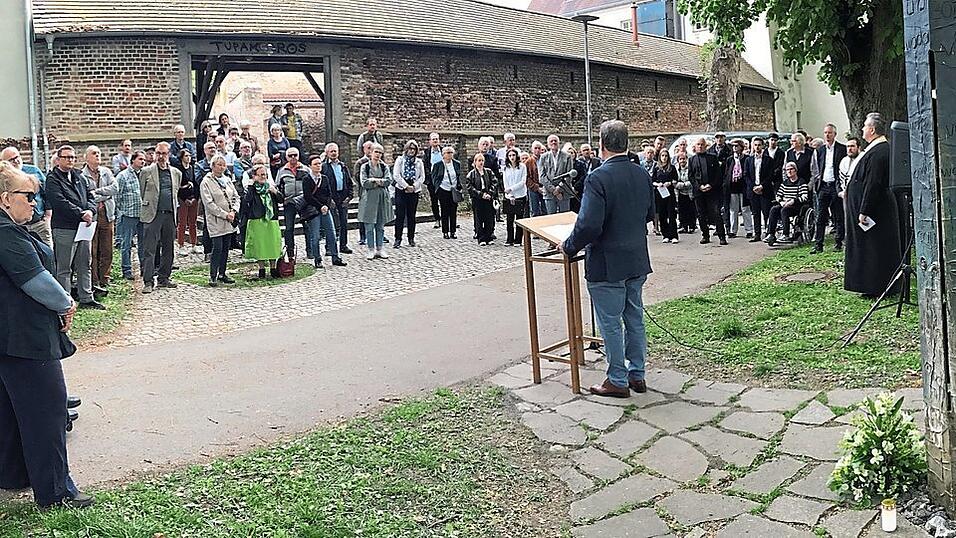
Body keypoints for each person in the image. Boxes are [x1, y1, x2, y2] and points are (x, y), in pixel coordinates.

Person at [0, 161, 94, 509]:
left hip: (11, 337)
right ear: (5, 199)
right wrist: (66, 303)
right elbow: (35, 280)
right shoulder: (5, 232)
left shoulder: (7, 226)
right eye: (28, 196)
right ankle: (56, 492)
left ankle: (13, 474)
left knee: (11, 411)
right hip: (25, 338)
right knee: (47, 413)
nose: (34, 204)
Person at [558, 120, 653, 398]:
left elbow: (588, 225)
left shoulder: (597, 177)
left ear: (601, 145)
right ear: (626, 143)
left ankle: (617, 379)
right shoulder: (641, 173)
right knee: (634, 317)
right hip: (636, 259)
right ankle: (637, 374)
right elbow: (649, 214)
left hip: (608, 263)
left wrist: (569, 246)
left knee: (610, 322)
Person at [844, 113, 902, 297]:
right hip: (869, 208)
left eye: (864, 126)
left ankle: (876, 285)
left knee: (874, 248)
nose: (862, 129)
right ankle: (869, 284)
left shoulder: (880, 151)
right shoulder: (875, 149)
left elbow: (873, 183)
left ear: (872, 129)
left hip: (875, 210)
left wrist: (864, 210)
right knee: (868, 247)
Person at [46, 145, 104, 309]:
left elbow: (91, 196)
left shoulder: (79, 176)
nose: (70, 160)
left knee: (84, 263)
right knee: (64, 268)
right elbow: (60, 202)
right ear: (58, 160)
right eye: (66, 157)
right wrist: (81, 213)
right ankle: (65, 302)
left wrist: (90, 211)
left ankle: (86, 297)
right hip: (65, 228)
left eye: (72, 157)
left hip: (84, 227)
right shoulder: (53, 179)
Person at [138, 141, 182, 294]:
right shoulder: (146, 172)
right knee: (150, 249)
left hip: (169, 214)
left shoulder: (176, 173)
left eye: (164, 153)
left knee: (168, 248)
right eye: (158, 153)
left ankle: (164, 277)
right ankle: (148, 280)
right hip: (153, 214)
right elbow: (141, 191)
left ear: (168, 154)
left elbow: (175, 192)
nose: (161, 156)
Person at [199, 155, 240, 286]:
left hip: (229, 219)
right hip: (216, 220)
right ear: (213, 166)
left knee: (226, 247)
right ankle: (213, 275)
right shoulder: (206, 182)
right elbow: (209, 203)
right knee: (217, 247)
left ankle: (222, 273)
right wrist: (224, 214)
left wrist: (233, 211)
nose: (222, 167)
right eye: (219, 165)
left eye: (224, 165)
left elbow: (236, 196)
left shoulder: (227, 180)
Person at [80, 146, 116, 293]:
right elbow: (86, 196)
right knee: (93, 250)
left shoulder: (106, 172)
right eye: (94, 154)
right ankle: (94, 280)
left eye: (99, 153)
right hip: (92, 216)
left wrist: (97, 193)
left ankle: (105, 278)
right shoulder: (82, 175)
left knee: (107, 248)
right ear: (86, 158)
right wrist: (103, 194)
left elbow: (115, 188)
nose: (97, 156)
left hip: (107, 214)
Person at [1, 147, 52, 247]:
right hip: (17, 224)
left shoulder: (34, 170)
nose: (16, 161)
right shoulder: (3, 180)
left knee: (47, 252)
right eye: (11, 159)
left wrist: (48, 215)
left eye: (17, 157)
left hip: (39, 222)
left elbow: (47, 193)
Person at [304, 155, 347, 269]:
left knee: (331, 233)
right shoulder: (307, 179)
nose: (318, 166)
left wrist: (326, 206)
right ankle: (317, 258)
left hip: (325, 209)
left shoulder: (325, 178)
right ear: (310, 166)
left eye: (319, 164)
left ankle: (335, 256)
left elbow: (329, 194)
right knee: (315, 235)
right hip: (314, 210)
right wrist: (320, 206)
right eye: (315, 164)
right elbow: (308, 196)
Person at [810, 123, 848, 254]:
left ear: (835, 134)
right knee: (820, 216)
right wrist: (816, 184)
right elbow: (815, 169)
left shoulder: (842, 149)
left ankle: (838, 241)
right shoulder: (820, 150)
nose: (827, 135)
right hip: (823, 186)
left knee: (838, 215)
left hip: (835, 186)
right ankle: (818, 244)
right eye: (825, 132)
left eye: (830, 133)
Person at [241, 164, 283, 278]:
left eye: (265, 174)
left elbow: (281, 199)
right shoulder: (252, 188)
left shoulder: (270, 187)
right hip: (257, 219)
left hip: (271, 219)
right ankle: (261, 269)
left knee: (272, 244)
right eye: (260, 175)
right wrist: (250, 186)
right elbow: (246, 201)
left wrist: (275, 192)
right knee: (260, 245)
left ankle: (273, 268)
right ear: (254, 176)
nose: (263, 177)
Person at [110, 151, 146, 280]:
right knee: (126, 244)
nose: (143, 161)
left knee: (143, 243)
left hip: (143, 215)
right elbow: (117, 195)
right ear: (133, 160)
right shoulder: (123, 176)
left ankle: (144, 268)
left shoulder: (144, 174)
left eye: (144, 160)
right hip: (128, 214)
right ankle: (126, 270)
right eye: (140, 159)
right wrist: (122, 210)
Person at [358, 143, 394, 259]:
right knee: (369, 225)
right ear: (371, 153)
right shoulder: (365, 167)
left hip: (382, 198)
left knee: (380, 225)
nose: (378, 155)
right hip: (369, 199)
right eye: (376, 152)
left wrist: (375, 181)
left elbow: (389, 181)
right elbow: (364, 182)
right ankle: (370, 249)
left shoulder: (384, 167)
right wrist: (378, 182)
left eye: (380, 153)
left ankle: (380, 248)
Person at [688, 138, 727, 245]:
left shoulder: (712, 158)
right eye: (698, 144)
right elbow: (691, 176)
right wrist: (699, 186)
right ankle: (705, 235)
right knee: (701, 214)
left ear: (706, 146)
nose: (700, 146)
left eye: (702, 144)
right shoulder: (691, 160)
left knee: (716, 213)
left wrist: (711, 185)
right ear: (695, 146)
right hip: (699, 191)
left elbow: (718, 175)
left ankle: (722, 236)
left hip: (712, 191)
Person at [276, 147, 309, 258]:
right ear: (286, 157)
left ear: (298, 156)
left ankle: (310, 251)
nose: (293, 157)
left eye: (295, 155)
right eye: (290, 155)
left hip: (304, 201)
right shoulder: (282, 171)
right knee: (289, 228)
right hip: (289, 203)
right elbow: (278, 187)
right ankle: (290, 253)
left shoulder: (305, 169)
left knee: (307, 227)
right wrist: (282, 199)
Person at [765, 162, 809, 246]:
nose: (789, 171)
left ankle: (786, 234)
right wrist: (781, 202)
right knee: (774, 209)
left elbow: (804, 196)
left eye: (791, 169)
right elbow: (778, 195)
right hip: (784, 204)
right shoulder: (785, 183)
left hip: (796, 206)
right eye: (787, 170)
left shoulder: (801, 182)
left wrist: (793, 201)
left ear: (795, 170)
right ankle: (770, 234)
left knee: (784, 210)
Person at [321, 143, 354, 254]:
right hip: (331, 198)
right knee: (331, 224)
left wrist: (349, 196)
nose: (334, 153)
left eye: (335, 151)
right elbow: (323, 185)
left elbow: (349, 182)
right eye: (331, 151)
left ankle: (343, 245)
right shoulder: (324, 167)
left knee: (344, 223)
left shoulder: (343, 166)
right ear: (327, 153)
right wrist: (328, 200)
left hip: (343, 196)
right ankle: (329, 247)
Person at [392, 140, 424, 248]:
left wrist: (414, 186)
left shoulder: (419, 162)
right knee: (400, 215)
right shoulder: (400, 160)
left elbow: (422, 177)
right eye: (410, 148)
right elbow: (396, 175)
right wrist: (406, 186)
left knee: (412, 216)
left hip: (414, 189)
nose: (411, 151)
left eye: (414, 149)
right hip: (401, 188)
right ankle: (398, 238)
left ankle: (411, 238)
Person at [746, 137, 776, 243]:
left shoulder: (768, 160)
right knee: (755, 213)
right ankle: (757, 234)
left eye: (759, 145)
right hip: (753, 190)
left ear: (763, 146)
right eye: (755, 145)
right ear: (752, 146)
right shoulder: (749, 160)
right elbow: (747, 175)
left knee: (766, 212)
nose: (757, 147)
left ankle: (769, 233)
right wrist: (753, 186)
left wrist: (762, 186)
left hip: (765, 190)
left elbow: (770, 175)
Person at [723, 140, 753, 239]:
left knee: (745, 209)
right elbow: (727, 173)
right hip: (732, 187)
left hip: (743, 187)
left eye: (737, 146)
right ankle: (733, 230)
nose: (735, 148)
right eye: (733, 146)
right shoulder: (730, 159)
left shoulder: (746, 159)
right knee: (733, 209)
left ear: (741, 147)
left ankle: (749, 230)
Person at [431, 146, 463, 239]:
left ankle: (453, 231)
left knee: (453, 211)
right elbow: (434, 177)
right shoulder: (438, 165)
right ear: (443, 154)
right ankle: (445, 231)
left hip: (453, 189)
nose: (449, 155)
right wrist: (438, 186)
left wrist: (458, 186)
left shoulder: (457, 164)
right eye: (447, 153)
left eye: (451, 153)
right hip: (443, 189)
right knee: (444, 211)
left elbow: (458, 176)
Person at [466, 153, 498, 245]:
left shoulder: (489, 172)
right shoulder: (471, 174)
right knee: (479, 218)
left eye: (482, 160)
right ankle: (481, 238)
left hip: (488, 198)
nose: (481, 162)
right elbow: (470, 188)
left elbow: (494, 183)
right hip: (478, 199)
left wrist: (490, 193)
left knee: (489, 218)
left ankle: (489, 237)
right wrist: (481, 195)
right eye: (479, 160)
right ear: (475, 162)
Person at [174, 149, 200, 256]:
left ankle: (194, 244)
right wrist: (185, 198)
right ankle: (181, 245)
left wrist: (195, 197)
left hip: (193, 197)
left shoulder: (192, 168)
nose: (188, 158)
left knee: (193, 222)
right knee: (182, 222)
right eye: (186, 156)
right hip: (183, 198)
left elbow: (195, 183)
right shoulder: (178, 170)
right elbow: (178, 186)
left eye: (189, 156)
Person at [540, 134, 574, 214]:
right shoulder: (543, 157)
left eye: (555, 141)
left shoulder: (567, 156)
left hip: (564, 192)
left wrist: (559, 188)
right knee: (551, 219)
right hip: (549, 193)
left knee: (565, 218)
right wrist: (553, 190)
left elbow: (569, 175)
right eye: (551, 141)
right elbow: (542, 176)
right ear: (548, 144)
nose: (553, 142)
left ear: (559, 143)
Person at [652, 149, 679, 243]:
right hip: (660, 193)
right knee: (662, 214)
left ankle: (674, 235)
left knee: (671, 214)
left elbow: (676, 180)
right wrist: (657, 184)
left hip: (669, 193)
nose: (664, 158)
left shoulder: (672, 168)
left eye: (666, 156)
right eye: (662, 156)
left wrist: (670, 183)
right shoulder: (656, 168)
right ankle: (665, 235)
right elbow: (653, 180)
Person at [502, 148, 528, 246]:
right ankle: (509, 239)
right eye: (510, 156)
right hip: (510, 196)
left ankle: (518, 240)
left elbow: (522, 182)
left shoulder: (522, 167)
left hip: (520, 195)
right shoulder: (506, 168)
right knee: (509, 219)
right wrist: (509, 194)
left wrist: (511, 189)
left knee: (519, 219)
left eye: (513, 155)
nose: (512, 157)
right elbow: (505, 182)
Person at [353, 141, 373, 246]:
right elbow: (357, 176)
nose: (370, 150)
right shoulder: (360, 163)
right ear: (364, 149)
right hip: (364, 192)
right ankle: (363, 236)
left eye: (372, 148)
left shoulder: (377, 162)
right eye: (368, 148)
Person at [423, 132, 443, 227]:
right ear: (430, 141)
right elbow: (425, 165)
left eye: (437, 139)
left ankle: (445, 218)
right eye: (433, 139)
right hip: (432, 180)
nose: (435, 140)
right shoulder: (427, 153)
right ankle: (437, 219)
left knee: (444, 200)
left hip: (443, 179)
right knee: (434, 200)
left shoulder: (443, 151)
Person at [674, 152, 696, 234]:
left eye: (684, 159)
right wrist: (680, 185)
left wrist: (684, 184)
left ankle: (691, 226)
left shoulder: (690, 168)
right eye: (680, 159)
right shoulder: (676, 169)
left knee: (691, 210)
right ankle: (684, 226)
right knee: (682, 210)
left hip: (690, 193)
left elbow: (692, 179)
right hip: (680, 193)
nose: (682, 161)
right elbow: (675, 181)